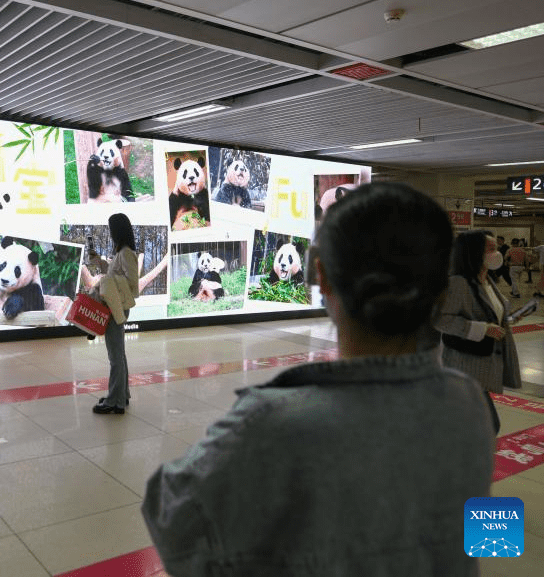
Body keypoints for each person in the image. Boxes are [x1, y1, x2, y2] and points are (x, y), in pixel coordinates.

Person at [141, 182, 493, 575]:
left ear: (321, 277)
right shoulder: (468, 402)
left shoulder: (271, 423)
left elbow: (171, 518)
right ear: (441, 288)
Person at [436, 230, 522, 433]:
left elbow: (489, 312)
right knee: (488, 425)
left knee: (477, 427)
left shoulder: (488, 281)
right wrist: (482, 329)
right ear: (474, 253)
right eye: (491, 249)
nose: (497, 253)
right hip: (464, 366)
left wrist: (508, 318)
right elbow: (440, 319)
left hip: (483, 365)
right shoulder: (458, 283)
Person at [91, 212, 139, 415]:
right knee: (119, 354)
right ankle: (122, 395)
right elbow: (116, 274)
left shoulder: (127, 253)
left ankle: (114, 401)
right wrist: (101, 264)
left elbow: (132, 285)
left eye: (111, 228)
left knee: (115, 356)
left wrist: (108, 282)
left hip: (116, 308)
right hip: (114, 306)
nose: (110, 232)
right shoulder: (121, 252)